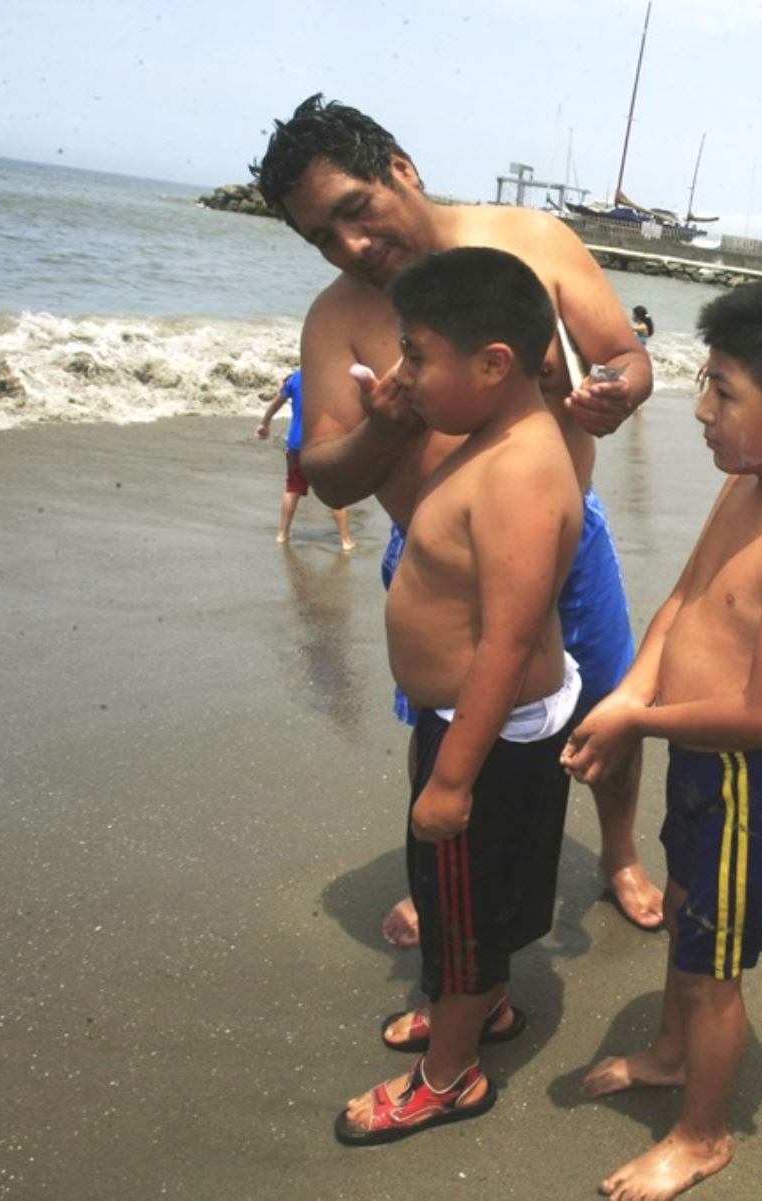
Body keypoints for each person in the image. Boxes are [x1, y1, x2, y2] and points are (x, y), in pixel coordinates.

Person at [251, 96, 666, 935]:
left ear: (401, 169)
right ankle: (450, 873)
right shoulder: (338, 319)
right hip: (438, 565)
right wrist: (391, 422)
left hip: (565, 544)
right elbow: (328, 474)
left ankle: (618, 850)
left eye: (354, 213)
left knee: (609, 713)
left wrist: (616, 390)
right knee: (447, 736)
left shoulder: (534, 242)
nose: (351, 247)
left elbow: (625, 353)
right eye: (322, 238)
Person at [563, 278, 762, 1201]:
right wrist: (632, 689)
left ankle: (702, 1135)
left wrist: (635, 720)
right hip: (703, 761)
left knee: (715, 965)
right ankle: (667, 1051)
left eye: (722, 390)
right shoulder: (746, 484)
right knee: (689, 914)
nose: (698, 408)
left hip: (757, 778)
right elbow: (683, 604)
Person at [334, 248, 585, 1144]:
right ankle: (486, 1010)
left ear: (493, 365)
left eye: (417, 353)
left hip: (484, 733)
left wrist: (452, 779)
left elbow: (509, 641)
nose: (404, 373)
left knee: (462, 906)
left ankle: (449, 1074)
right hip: (465, 724)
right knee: (466, 893)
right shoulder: (492, 438)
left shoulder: (519, 470)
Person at [256, 369, 356, 550]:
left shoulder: (295, 378)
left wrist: (265, 424)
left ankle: (282, 533)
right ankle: (345, 540)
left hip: (296, 443)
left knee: (292, 489)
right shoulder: (334, 378)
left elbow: (276, 403)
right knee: (335, 492)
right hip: (324, 444)